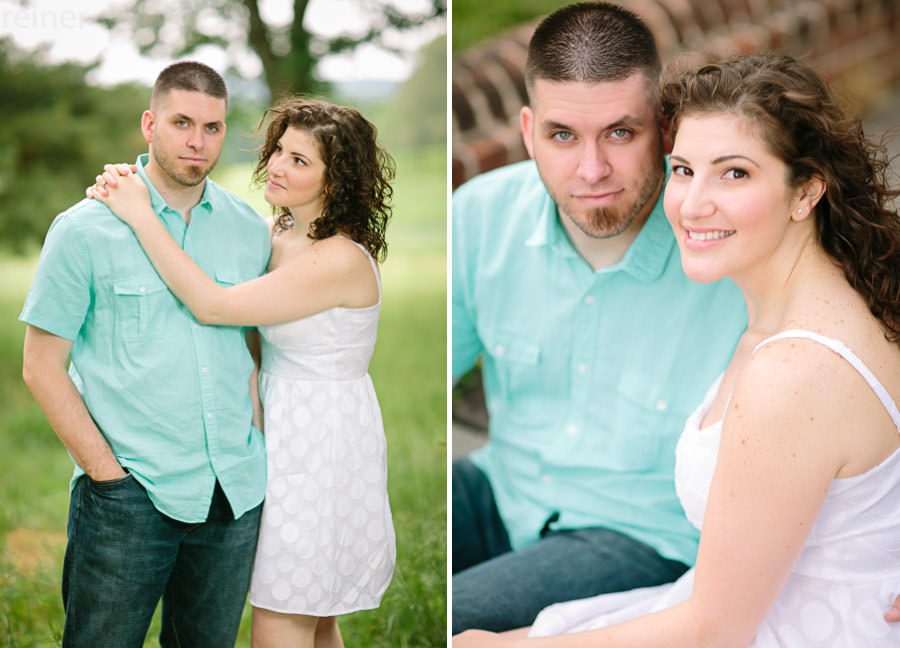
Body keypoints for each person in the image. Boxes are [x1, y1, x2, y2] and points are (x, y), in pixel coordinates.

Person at [455, 52, 900, 647]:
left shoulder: (791, 369)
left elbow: (713, 630)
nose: (692, 204)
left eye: (735, 173)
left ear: (806, 191)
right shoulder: (834, 296)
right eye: (684, 170)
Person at [451, 2, 747, 633]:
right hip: (506, 489)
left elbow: (863, 367)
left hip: (641, 534)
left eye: (619, 133)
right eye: (562, 136)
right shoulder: (480, 216)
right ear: (528, 130)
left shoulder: (729, 236)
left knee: (455, 622)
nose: (591, 171)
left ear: (665, 129)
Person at [88, 96, 396, 648]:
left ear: (338, 179)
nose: (276, 165)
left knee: (282, 619)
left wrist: (138, 213)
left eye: (300, 161)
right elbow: (206, 238)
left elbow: (214, 305)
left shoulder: (340, 258)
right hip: (280, 431)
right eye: (279, 150)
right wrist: (140, 188)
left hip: (320, 447)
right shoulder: (281, 233)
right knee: (317, 619)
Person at [20, 61, 270, 647]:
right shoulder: (83, 230)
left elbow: (257, 351)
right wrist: (109, 477)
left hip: (232, 494)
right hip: (130, 498)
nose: (197, 142)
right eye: (182, 123)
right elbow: (40, 366)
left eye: (213, 127)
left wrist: (253, 443)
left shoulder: (249, 230)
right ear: (149, 124)